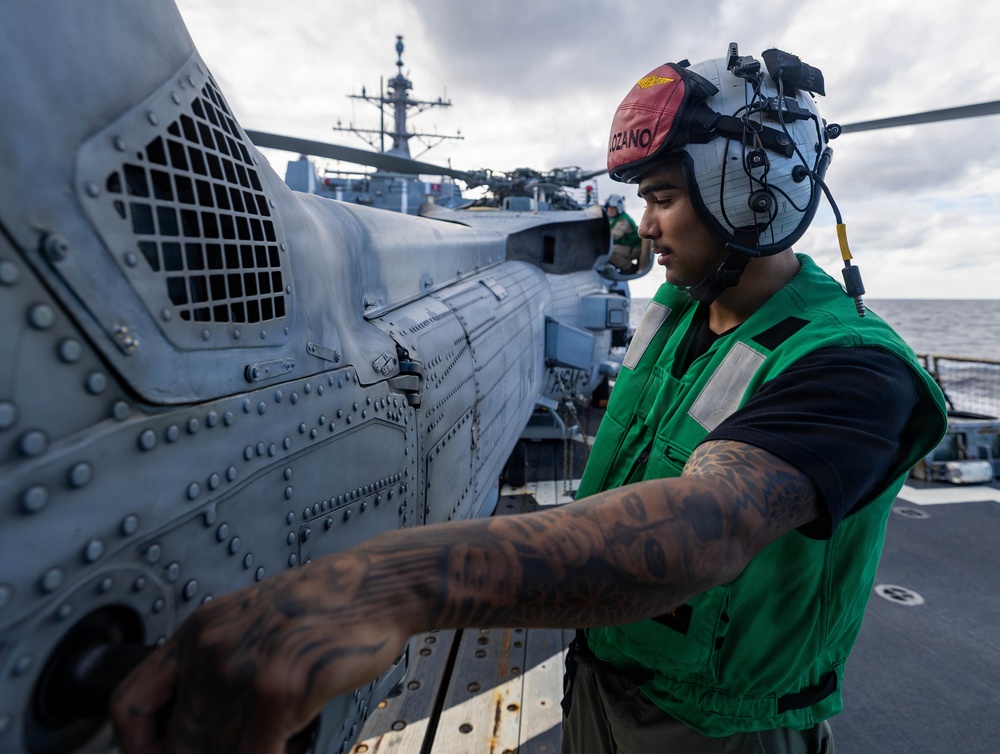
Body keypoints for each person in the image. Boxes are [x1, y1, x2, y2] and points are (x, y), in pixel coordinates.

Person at [112, 45, 948, 754]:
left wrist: (387, 585)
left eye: (662, 197)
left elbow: (714, 522)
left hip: (718, 731)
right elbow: (624, 263)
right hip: (601, 680)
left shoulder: (852, 366)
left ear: (746, 196)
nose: (645, 226)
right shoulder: (684, 310)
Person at [604, 194, 646, 272]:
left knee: (609, 252)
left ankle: (630, 268)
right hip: (628, 247)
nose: (610, 210)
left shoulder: (623, 220)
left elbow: (616, 234)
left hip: (634, 248)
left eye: (613, 208)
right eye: (609, 208)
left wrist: (599, 235)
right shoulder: (614, 220)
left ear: (619, 208)